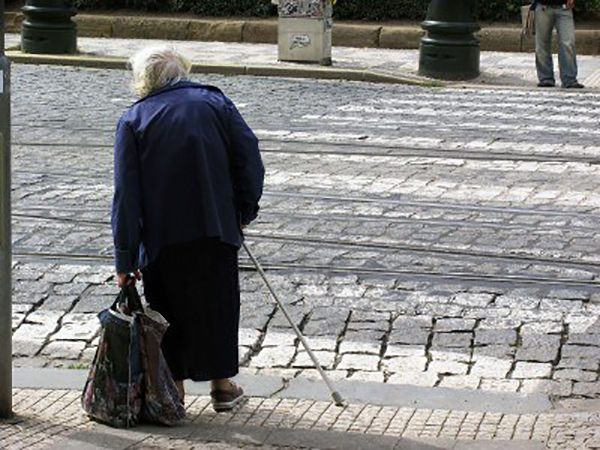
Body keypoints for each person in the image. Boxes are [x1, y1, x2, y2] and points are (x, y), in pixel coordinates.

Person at [111, 45, 264, 412]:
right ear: (182, 71)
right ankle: (223, 388)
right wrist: (244, 211)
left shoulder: (134, 119)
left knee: (167, 310)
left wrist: (124, 257)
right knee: (219, 306)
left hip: (163, 236)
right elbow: (249, 158)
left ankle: (175, 393)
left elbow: (126, 197)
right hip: (217, 226)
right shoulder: (215, 103)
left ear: (143, 80)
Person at [534, 0, 584, 88]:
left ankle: (569, 79)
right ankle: (545, 78)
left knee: (567, 42)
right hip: (543, 6)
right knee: (542, 44)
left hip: (564, 7)